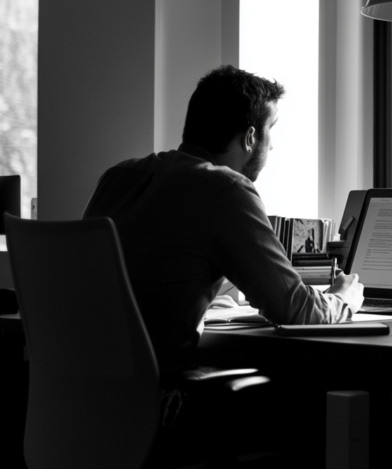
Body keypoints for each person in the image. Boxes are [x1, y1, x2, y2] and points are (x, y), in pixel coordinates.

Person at [83, 66, 368, 465]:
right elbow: (298, 312)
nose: (272, 147)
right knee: (350, 388)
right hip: (164, 406)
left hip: (86, 404)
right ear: (251, 137)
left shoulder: (118, 177)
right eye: (271, 132)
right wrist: (344, 298)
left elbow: (148, 275)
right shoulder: (224, 189)